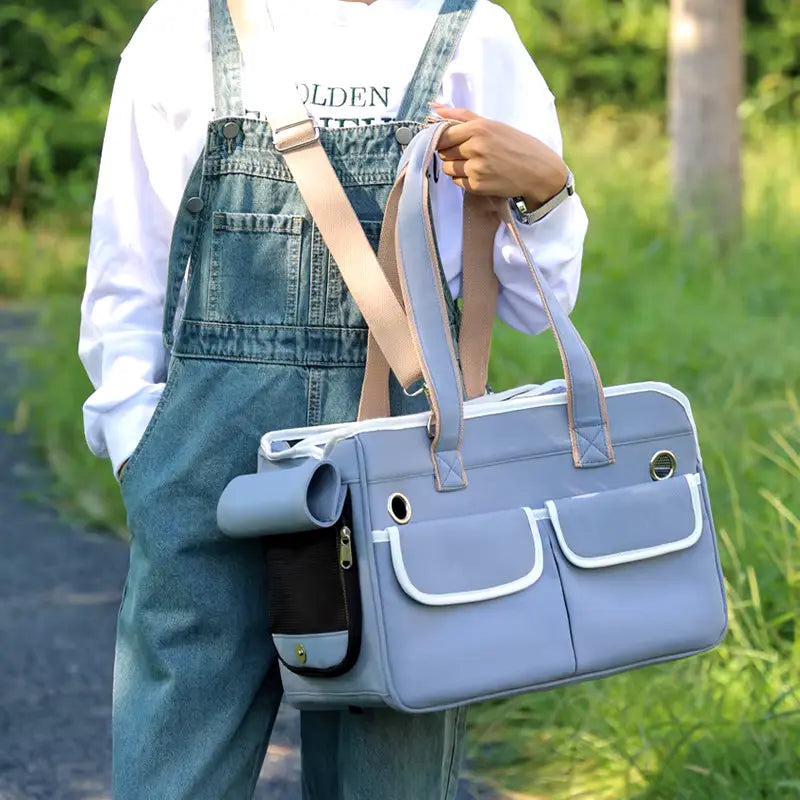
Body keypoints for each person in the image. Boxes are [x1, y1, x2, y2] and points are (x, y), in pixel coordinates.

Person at [78, 0, 589, 797]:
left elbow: (530, 302)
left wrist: (548, 190)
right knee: (172, 774)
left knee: (390, 772)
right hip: (203, 460)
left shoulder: (473, 31)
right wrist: (134, 439)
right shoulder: (184, 24)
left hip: (400, 460)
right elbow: (127, 260)